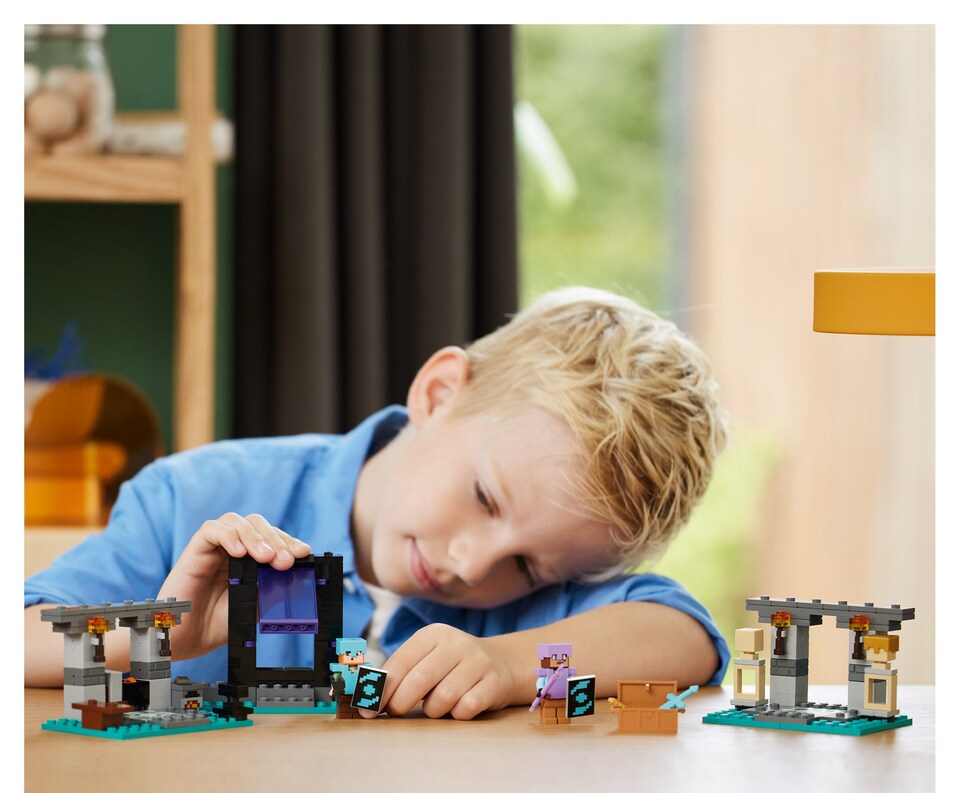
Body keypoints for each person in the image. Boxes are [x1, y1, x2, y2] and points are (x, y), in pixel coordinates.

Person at [24, 287, 730, 719]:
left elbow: (684, 636)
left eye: (528, 567)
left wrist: (509, 666)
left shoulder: (523, 612)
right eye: (484, 498)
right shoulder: (194, 497)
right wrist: (162, 634)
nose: (473, 565)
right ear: (439, 393)